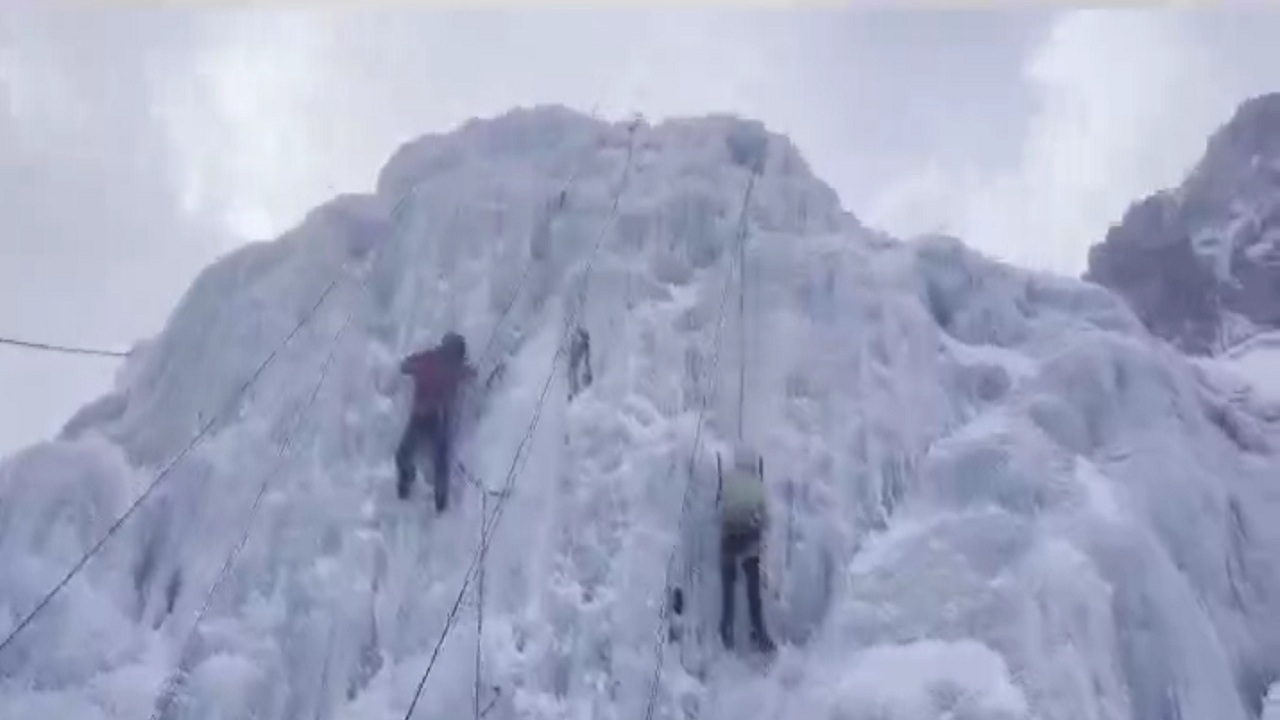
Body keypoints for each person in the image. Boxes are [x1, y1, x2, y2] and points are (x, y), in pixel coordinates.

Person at [396, 331, 476, 511]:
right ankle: (434, 500)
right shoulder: (448, 365)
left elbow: (406, 365)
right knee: (433, 459)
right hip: (434, 417)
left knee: (410, 455)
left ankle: (409, 488)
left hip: (429, 416)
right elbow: (406, 366)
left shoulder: (434, 361)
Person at [716, 443, 776, 653]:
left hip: (729, 538)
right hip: (751, 538)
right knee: (753, 590)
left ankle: (726, 630)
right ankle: (759, 632)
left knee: (728, 587)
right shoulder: (757, 484)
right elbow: (766, 517)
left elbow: (719, 505)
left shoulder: (728, 481)